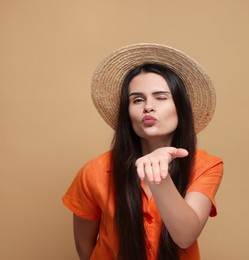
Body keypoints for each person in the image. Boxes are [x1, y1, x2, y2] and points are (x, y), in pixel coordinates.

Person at [62, 43, 223, 260]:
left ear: (181, 108)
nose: (148, 106)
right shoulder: (94, 171)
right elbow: (84, 247)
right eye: (137, 99)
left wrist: (158, 177)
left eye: (161, 97)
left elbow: (185, 236)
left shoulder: (206, 165)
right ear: (127, 113)